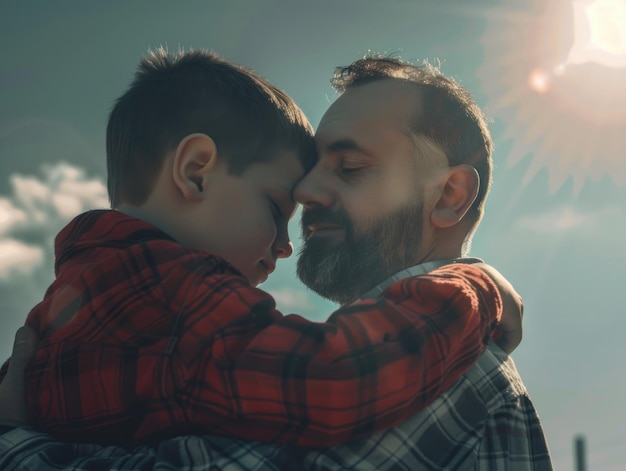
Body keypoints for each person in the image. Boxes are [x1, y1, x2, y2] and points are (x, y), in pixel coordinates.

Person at [0, 52, 552, 469]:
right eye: (285, 193)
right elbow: (333, 378)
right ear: (194, 171)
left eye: (350, 166)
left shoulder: (444, 367)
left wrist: (13, 443)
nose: (308, 191)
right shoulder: (183, 297)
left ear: (450, 195)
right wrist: (475, 285)